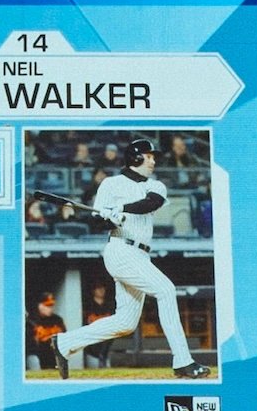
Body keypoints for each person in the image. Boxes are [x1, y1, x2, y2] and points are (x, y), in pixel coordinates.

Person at [51, 138, 210, 380]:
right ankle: (183, 361)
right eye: (148, 156)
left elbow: (150, 204)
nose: (153, 160)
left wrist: (121, 208)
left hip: (140, 255)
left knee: (125, 322)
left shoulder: (156, 186)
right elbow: (95, 222)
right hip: (121, 250)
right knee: (166, 290)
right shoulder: (110, 183)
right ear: (135, 157)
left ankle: (64, 343)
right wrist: (108, 218)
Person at [26, 292, 66, 371]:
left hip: (53, 355)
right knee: (33, 359)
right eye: (47, 305)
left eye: (51, 305)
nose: (50, 308)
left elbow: (64, 339)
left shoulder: (57, 320)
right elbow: (29, 347)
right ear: (39, 305)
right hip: (38, 355)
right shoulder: (30, 321)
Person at [81, 283, 114, 369]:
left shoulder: (109, 306)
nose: (101, 290)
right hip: (92, 348)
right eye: (98, 288)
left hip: (106, 344)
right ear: (93, 291)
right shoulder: (88, 306)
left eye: (103, 288)